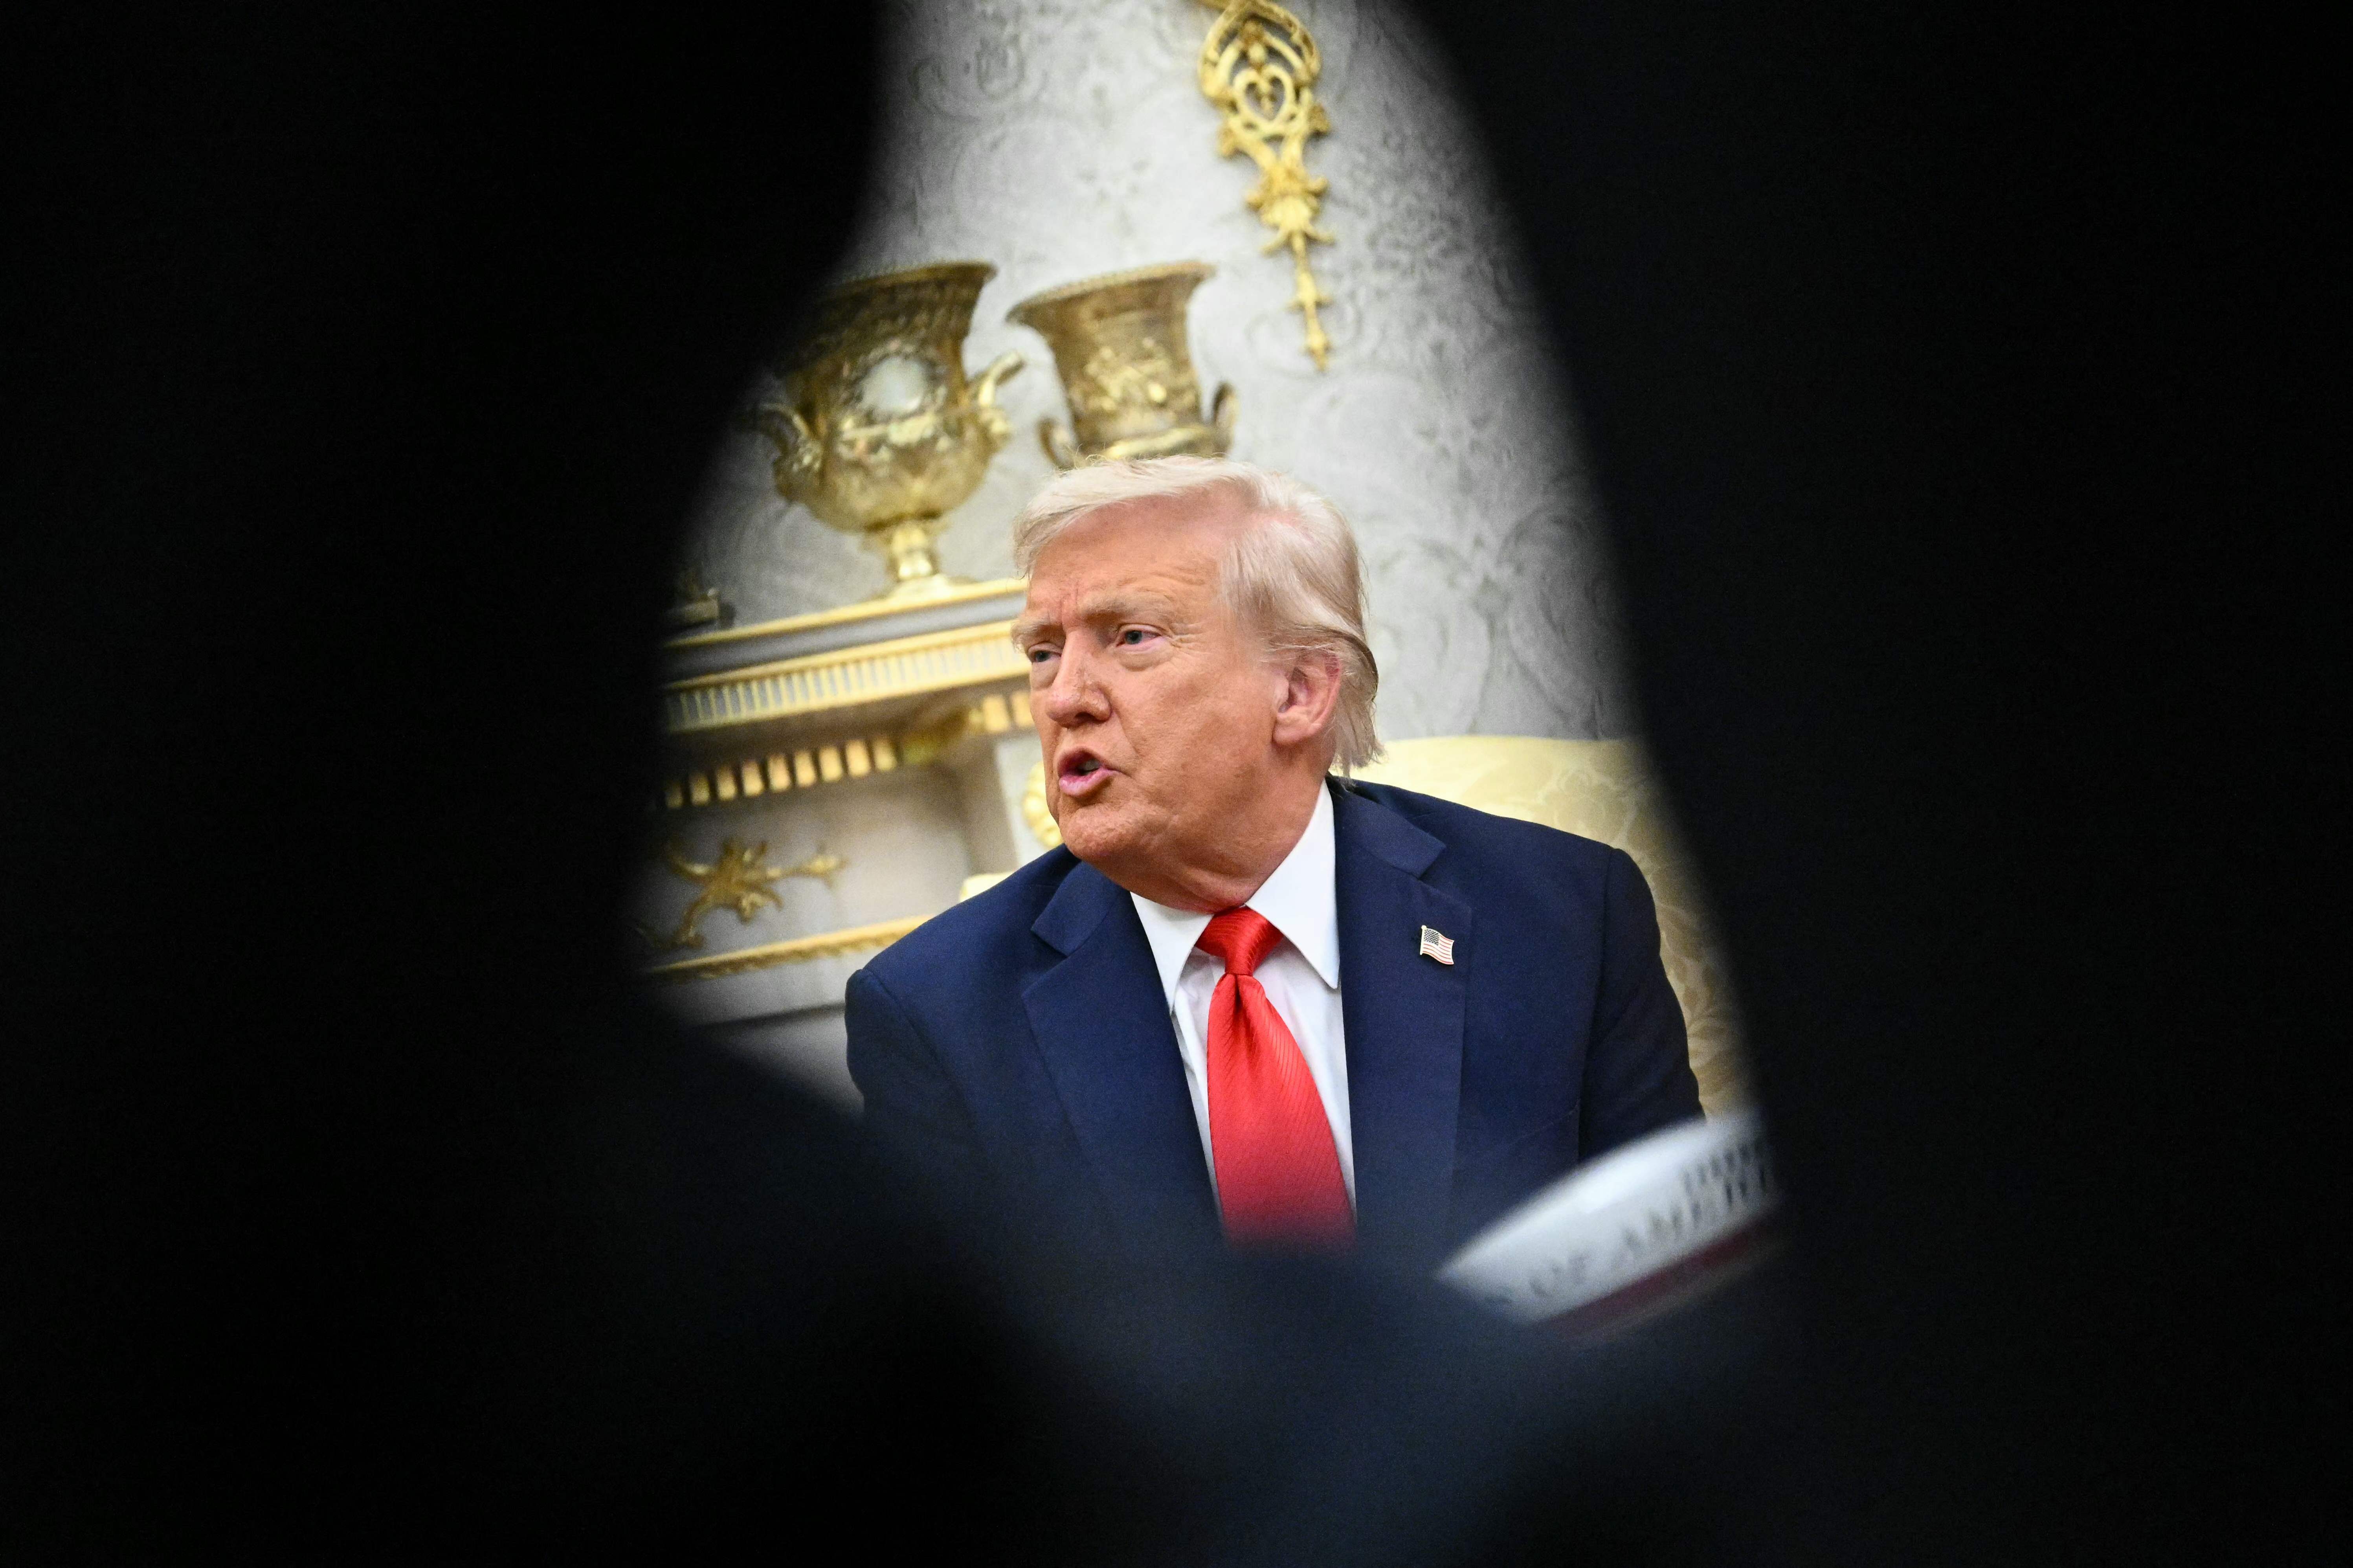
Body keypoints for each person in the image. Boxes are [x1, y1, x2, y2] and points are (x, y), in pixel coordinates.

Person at [847, 457, 1699, 1269]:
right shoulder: (938, 1015)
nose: (1065, 695)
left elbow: (1682, 1280)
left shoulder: (1561, 917)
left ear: (1299, 691)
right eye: (1042, 652)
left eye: (1131, 637)